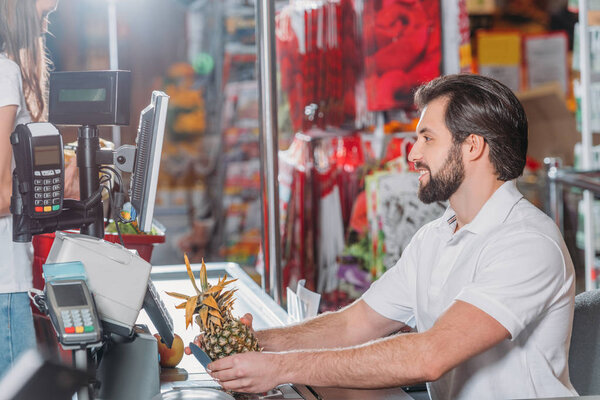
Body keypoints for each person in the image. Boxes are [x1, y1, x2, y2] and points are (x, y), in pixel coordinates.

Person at [205, 74, 578, 400]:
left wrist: (279, 368)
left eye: (427, 139)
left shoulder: (527, 243)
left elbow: (429, 356)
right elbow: (356, 324)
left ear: (472, 146)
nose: (413, 154)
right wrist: (258, 343)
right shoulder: (435, 237)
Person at [0, 0, 77, 377]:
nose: (46, 26)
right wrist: (53, 189)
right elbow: (1, 195)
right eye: (44, 14)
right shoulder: (4, 72)